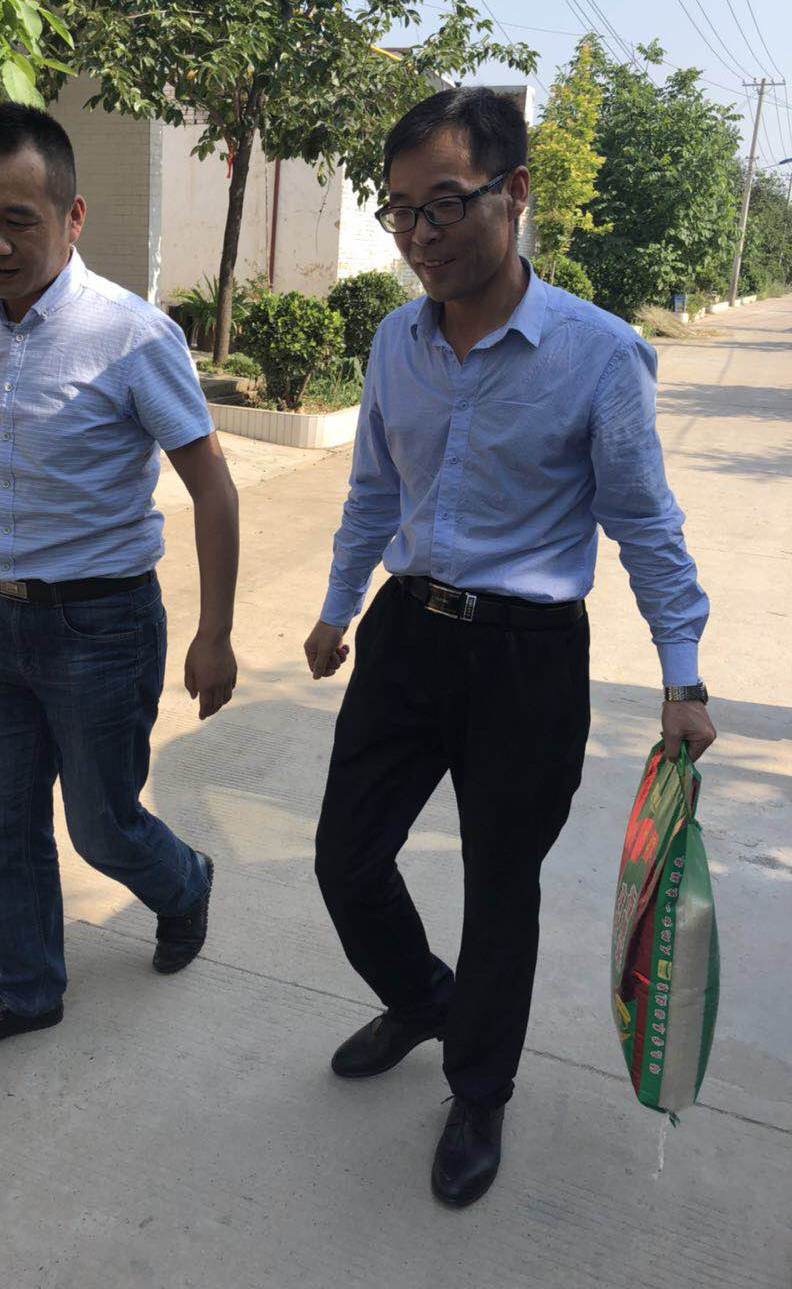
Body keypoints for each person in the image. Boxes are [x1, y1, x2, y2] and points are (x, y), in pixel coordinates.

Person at [303, 87, 715, 1208]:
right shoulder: (396, 341)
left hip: (527, 660)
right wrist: (339, 606)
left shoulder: (599, 354)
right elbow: (373, 487)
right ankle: (423, 999)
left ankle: (479, 1088)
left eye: (444, 204)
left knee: (501, 886)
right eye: (400, 212)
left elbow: (646, 525)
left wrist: (682, 675)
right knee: (347, 857)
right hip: (406, 636)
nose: (420, 236)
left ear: (515, 191)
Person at [0, 102, 239, 1058]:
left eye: (17, 219)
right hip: (9, 626)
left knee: (102, 829)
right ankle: (28, 991)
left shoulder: (133, 336)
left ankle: (185, 883)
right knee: (6, 823)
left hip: (106, 626)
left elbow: (213, 488)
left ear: (72, 215)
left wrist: (215, 633)